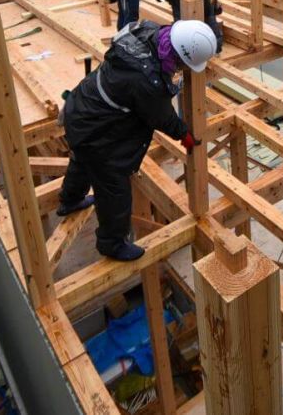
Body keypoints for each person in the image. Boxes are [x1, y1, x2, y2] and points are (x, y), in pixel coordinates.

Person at [57, 19, 216, 261]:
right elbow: (161, 116)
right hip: (93, 127)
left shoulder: (148, 31)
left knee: (82, 159)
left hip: (80, 108)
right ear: (181, 56)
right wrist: (184, 134)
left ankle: (70, 200)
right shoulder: (147, 82)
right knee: (113, 186)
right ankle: (111, 243)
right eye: (184, 65)